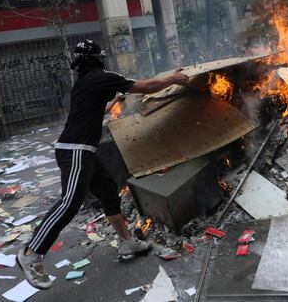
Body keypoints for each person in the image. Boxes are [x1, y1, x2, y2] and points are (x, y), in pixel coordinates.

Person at [16, 39, 189, 290]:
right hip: (76, 150)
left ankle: (127, 241)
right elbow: (145, 86)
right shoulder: (102, 76)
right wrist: (172, 78)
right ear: (98, 59)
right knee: (70, 203)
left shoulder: (84, 83)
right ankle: (31, 254)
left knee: (108, 192)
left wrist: (114, 102)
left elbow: (98, 110)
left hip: (84, 151)